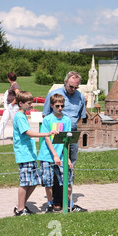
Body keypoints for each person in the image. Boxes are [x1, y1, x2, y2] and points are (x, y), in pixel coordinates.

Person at [42, 71, 87, 211]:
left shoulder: (80, 96)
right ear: (65, 82)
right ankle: (56, 202)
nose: (73, 90)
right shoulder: (54, 95)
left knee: (69, 168)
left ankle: (68, 201)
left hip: (71, 135)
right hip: (55, 137)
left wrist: (70, 127)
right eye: (71, 86)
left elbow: (80, 116)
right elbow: (45, 115)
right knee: (56, 168)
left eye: (76, 87)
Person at [12, 91, 59, 216]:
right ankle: (20, 209)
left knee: (34, 181)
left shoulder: (23, 115)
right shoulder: (19, 116)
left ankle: (21, 206)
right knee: (24, 182)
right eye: (29, 103)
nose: (31, 105)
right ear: (21, 103)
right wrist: (47, 133)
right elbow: (29, 133)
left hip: (30, 154)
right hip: (24, 154)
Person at [0, 72, 20, 140]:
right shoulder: (12, 85)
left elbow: (18, 95)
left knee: (14, 121)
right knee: (4, 119)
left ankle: (18, 136)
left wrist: (12, 103)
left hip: (13, 106)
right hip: (9, 106)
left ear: (9, 79)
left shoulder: (15, 85)